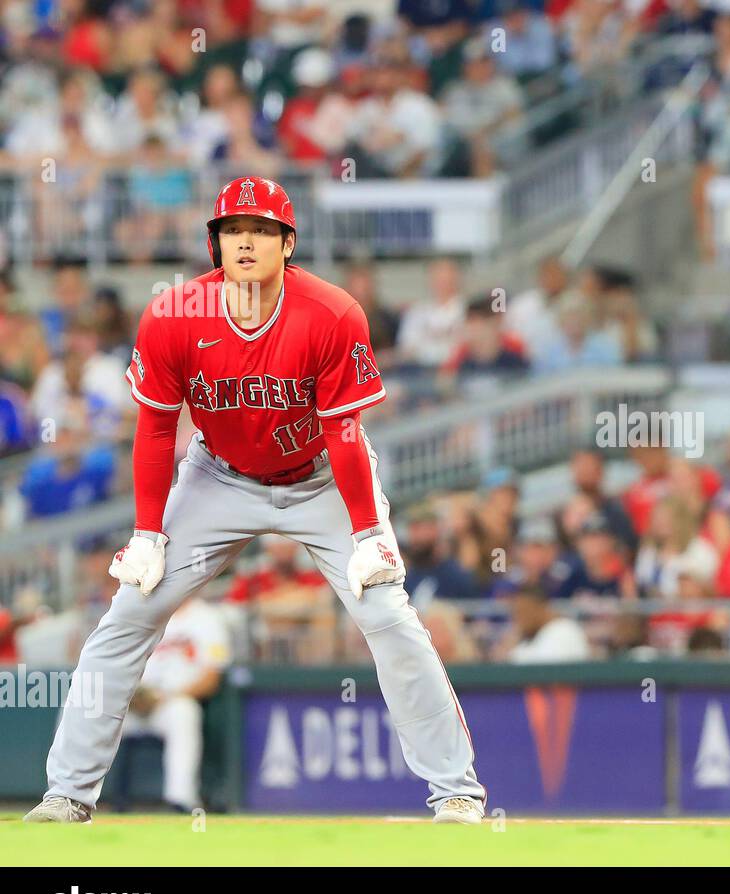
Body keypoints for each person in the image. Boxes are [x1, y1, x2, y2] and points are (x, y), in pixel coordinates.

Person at [25, 177, 486, 825]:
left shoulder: (330, 313)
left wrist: (367, 533)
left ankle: (456, 790)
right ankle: (67, 794)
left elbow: (345, 432)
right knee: (129, 612)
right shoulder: (173, 314)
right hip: (219, 477)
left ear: (288, 243)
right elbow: (157, 428)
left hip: (321, 477)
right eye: (233, 230)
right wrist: (149, 532)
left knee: (388, 615)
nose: (247, 241)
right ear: (214, 243)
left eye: (263, 229)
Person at [122, 596, 230, 812]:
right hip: (134, 705)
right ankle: (70, 795)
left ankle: (180, 800)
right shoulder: (143, 614)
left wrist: (165, 697)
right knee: (88, 710)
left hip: (171, 702)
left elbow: (211, 678)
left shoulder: (207, 618)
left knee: (184, 712)